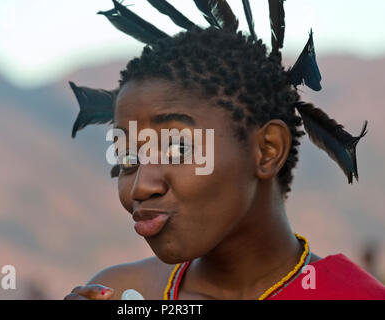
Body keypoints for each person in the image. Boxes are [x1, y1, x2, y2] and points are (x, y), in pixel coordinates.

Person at [64, 1, 384, 300]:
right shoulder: (124, 292)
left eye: (178, 148)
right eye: (129, 158)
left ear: (267, 149)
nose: (140, 186)